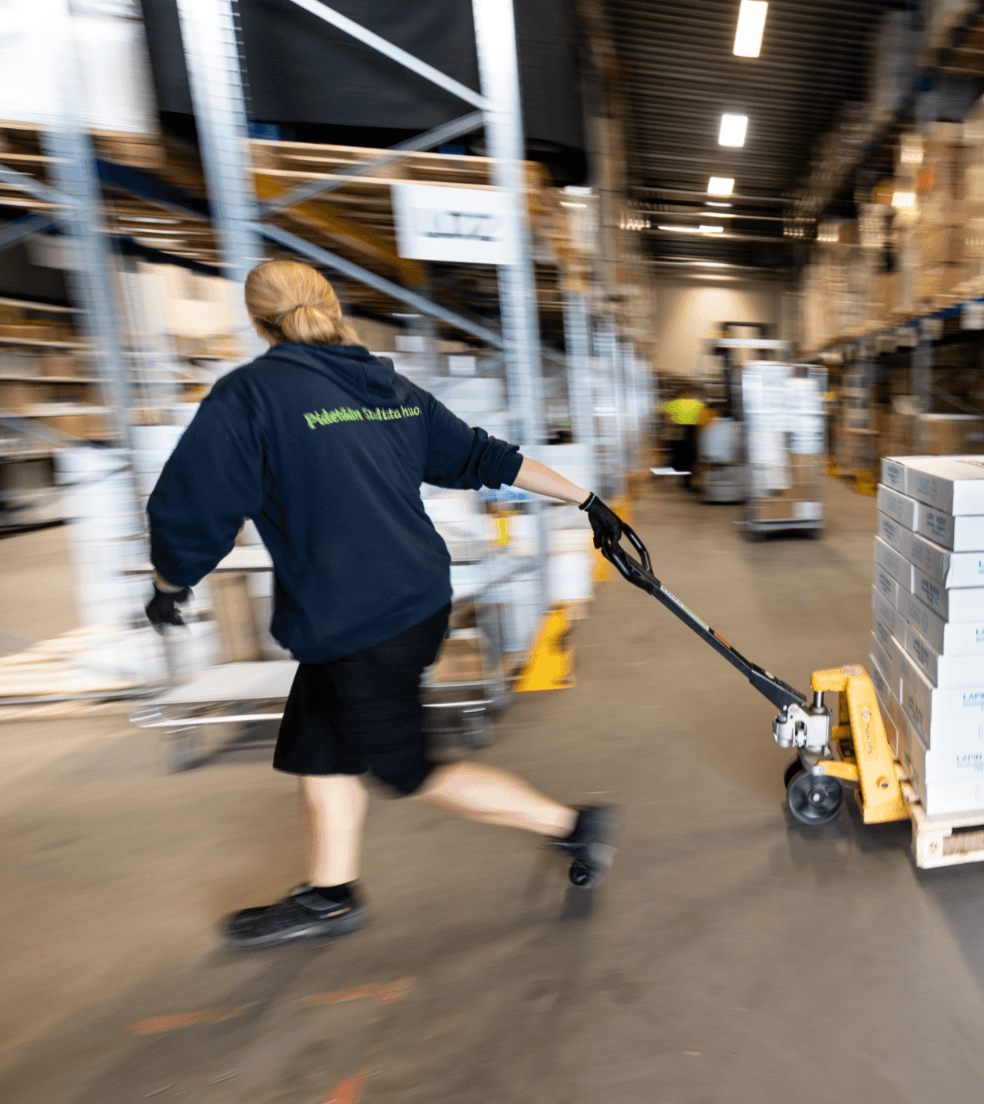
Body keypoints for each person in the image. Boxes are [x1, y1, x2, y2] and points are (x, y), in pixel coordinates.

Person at [145, 259, 631, 950]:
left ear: (257, 321)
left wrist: (170, 585)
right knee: (319, 749)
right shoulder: (384, 384)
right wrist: (584, 497)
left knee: (409, 768)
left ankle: (572, 826)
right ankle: (330, 893)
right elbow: (480, 456)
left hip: (362, 620)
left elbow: (194, 507)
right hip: (396, 601)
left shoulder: (250, 394)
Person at [659, 386, 705, 489]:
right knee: (687, 457)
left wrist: (672, 421)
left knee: (681, 457)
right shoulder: (694, 402)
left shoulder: (676, 403)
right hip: (689, 431)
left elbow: (663, 413)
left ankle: (685, 480)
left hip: (680, 432)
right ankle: (685, 481)